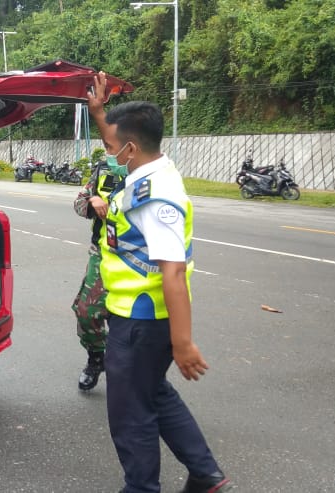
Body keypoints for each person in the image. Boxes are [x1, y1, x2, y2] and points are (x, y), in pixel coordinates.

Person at [86, 72, 234, 493]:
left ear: (131, 148)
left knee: (131, 412)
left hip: (140, 320)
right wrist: (100, 114)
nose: (108, 153)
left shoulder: (158, 198)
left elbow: (173, 270)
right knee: (154, 393)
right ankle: (205, 474)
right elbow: (119, 142)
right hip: (136, 316)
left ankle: (141, 487)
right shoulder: (146, 172)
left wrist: (183, 342)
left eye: (113, 148)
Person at [71, 152, 126, 391]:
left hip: (139, 257)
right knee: (87, 311)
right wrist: (92, 200)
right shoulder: (105, 170)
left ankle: (127, 369)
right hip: (103, 251)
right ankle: (96, 358)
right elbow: (79, 203)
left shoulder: (153, 172)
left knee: (125, 318)